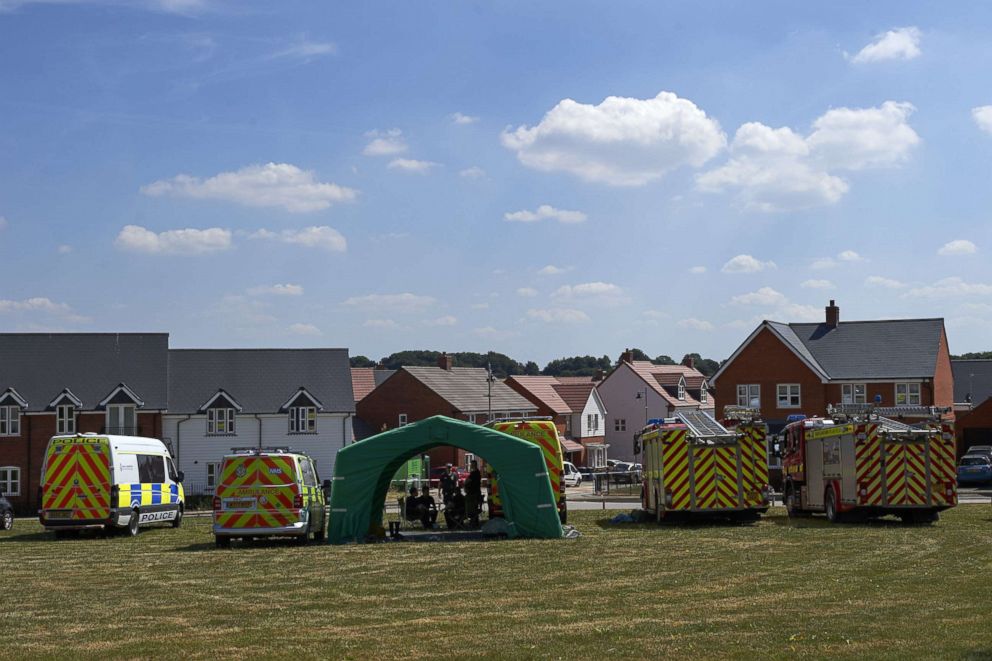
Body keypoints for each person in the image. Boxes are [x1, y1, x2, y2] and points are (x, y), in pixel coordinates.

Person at [464, 459, 482, 528]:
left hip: (474, 494)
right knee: (473, 509)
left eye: (471, 464)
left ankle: (473, 523)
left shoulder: (475, 473)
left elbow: (467, 481)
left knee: (472, 509)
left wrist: (465, 485)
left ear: (474, 465)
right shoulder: (474, 473)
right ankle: (474, 522)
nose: (470, 465)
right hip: (472, 493)